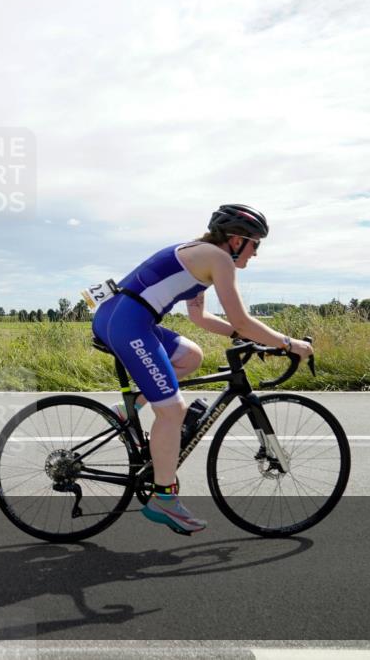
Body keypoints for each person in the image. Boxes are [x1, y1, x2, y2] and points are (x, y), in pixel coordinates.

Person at [90, 204, 314, 534]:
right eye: (256, 244)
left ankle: (128, 410)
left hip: (125, 317)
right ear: (237, 240)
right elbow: (240, 319)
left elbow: (201, 319)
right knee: (173, 410)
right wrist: (289, 343)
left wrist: (249, 338)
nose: (256, 253)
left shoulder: (202, 255)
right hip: (127, 323)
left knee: (190, 356)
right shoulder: (218, 259)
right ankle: (164, 499)